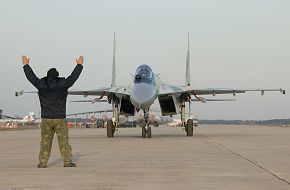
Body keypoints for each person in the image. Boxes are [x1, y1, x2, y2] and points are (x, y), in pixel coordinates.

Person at [22, 55, 84, 168]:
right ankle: (67, 162)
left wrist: (26, 65)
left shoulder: (41, 85)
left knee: (45, 142)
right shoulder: (63, 84)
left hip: (46, 118)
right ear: (57, 76)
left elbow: (31, 77)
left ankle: (42, 163)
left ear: (47, 76)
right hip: (60, 118)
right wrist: (79, 65)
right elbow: (73, 77)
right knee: (63, 141)